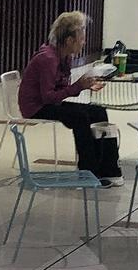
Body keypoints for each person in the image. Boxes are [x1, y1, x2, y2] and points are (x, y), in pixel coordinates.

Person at [19, 11, 123, 187]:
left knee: (97, 111)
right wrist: (78, 86)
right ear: (69, 41)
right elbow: (49, 97)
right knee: (79, 117)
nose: (83, 43)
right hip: (37, 106)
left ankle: (109, 168)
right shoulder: (48, 59)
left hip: (50, 102)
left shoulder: (64, 56)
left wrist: (84, 85)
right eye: (81, 39)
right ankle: (88, 171)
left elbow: (61, 90)